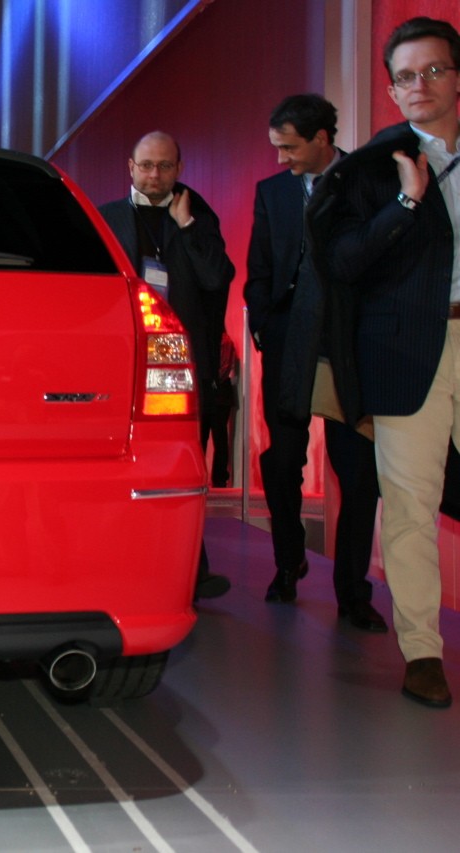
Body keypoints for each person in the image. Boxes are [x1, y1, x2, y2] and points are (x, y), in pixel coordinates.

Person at [316, 17, 460, 709]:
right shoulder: (372, 167)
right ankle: (422, 651)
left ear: (456, 77)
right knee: (408, 506)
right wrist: (405, 201)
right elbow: (341, 261)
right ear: (390, 88)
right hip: (408, 354)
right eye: (405, 75)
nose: (418, 86)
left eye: (432, 70)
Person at [243, 94, 386, 631]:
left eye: (290, 147)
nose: (281, 158)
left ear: (322, 139)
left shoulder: (367, 183)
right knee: (282, 464)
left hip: (348, 347)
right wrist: (262, 321)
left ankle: (352, 594)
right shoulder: (272, 192)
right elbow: (260, 265)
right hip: (286, 342)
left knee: (359, 474)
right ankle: (288, 562)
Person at [99, 131, 236, 600]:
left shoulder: (198, 215)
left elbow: (218, 277)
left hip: (180, 361)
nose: (155, 175)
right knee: (120, 467)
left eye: (164, 166)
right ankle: (119, 565)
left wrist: (188, 229)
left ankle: (189, 570)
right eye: (146, 166)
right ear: (130, 167)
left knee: (183, 464)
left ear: (179, 168)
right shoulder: (106, 218)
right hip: (122, 361)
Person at [209, 330, 238, 488]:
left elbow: (222, 369)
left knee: (215, 436)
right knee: (220, 437)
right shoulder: (226, 340)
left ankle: (218, 477)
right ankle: (219, 477)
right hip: (221, 391)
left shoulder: (223, 341)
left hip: (217, 391)